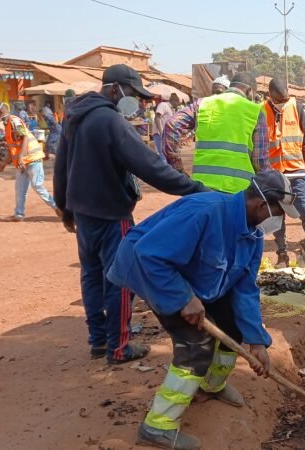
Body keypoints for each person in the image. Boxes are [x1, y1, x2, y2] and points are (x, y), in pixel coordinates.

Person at [107, 171, 299, 449]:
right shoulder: (205, 212)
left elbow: (245, 289)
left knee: (232, 325)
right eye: (280, 212)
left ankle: (211, 386)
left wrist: (257, 341)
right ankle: (157, 425)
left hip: (198, 279)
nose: (280, 221)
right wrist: (183, 298)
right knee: (196, 347)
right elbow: (149, 254)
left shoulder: (253, 236)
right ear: (262, 205)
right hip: (155, 274)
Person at [53, 64, 209, 365]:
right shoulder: (112, 122)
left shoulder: (75, 115)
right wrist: (194, 188)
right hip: (112, 212)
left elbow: (61, 166)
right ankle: (119, 346)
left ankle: (98, 340)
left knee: (92, 276)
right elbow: (150, 167)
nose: (136, 101)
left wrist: (64, 207)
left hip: (83, 211)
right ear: (114, 90)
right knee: (120, 279)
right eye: (133, 94)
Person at [163, 72, 267, 185]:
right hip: (239, 191)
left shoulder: (201, 104)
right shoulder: (255, 111)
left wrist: (177, 170)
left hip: (202, 187)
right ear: (249, 91)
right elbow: (259, 162)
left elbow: (172, 125)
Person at [263, 78, 305, 267]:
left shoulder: (298, 108)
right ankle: (282, 255)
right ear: (270, 97)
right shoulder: (261, 111)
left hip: (296, 168)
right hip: (274, 172)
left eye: (284, 101)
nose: (282, 104)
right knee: (277, 212)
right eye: (278, 101)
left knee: (304, 207)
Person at [0, 102, 59, 222]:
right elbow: (12, 147)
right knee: (20, 189)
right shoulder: (8, 126)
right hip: (22, 163)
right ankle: (19, 214)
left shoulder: (15, 121)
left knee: (37, 185)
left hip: (32, 159)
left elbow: (26, 137)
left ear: (1, 112)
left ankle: (57, 207)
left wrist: (21, 157)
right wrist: (3, 163)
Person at [153, 94, 179, 161]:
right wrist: (161, 131)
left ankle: (166, 169)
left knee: (166, 153)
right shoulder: (163, 105)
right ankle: (163, 170)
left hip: (166, 134)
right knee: (162, 153)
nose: (178, 105)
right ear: (174, 101)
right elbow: (157, 117)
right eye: (178, 103)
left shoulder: (171, 109)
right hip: (160, 133)